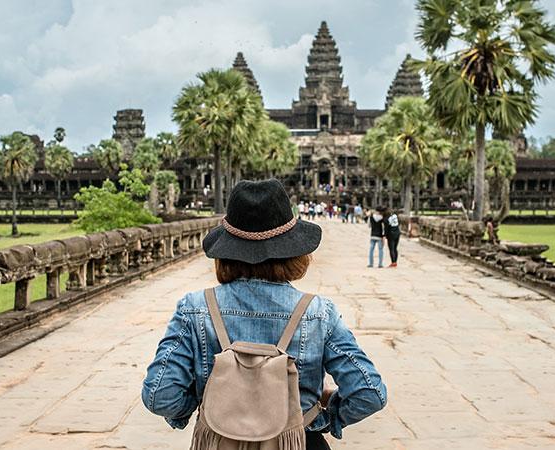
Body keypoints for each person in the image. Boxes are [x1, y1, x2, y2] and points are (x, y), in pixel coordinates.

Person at [142, 179, 387, 450]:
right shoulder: (318, 313)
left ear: (225, 251)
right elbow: (370, 393)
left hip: (219, 441)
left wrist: (203, 402)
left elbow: (159, 395)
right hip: (300, 441)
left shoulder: (195, 308)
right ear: (294, 251)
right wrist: (320, 419)